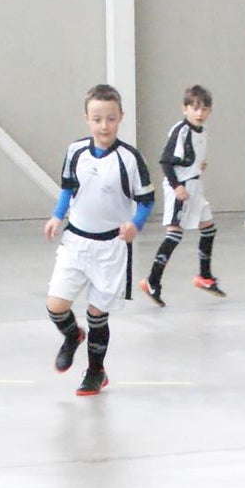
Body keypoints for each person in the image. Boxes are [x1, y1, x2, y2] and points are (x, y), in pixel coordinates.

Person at [44, 84, 155, 396]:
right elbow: (68, 187)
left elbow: (146, 200)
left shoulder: (130, 159)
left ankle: (96, 371)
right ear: (87, 119)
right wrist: (56, 216)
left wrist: (135, 224)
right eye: (97, 119)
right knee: (55, 306)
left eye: (110, 118)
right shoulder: (76, 151)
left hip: (111, 248)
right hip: (76, 241)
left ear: (121, 117)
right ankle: (72, 335)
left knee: (97, 314)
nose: (104, 126)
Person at [139, 84, 224, 307]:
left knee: (209, 229)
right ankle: (152, 281)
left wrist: (197, 165)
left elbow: (187, 158)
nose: (199, 113)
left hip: (195, 186)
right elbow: (166, 161)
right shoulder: (181, 130)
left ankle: (204, 276)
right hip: (182, 188)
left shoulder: (202, 132)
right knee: (174, 234)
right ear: (185, 108)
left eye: (204, 109)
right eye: (195, 108)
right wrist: (177, 186)